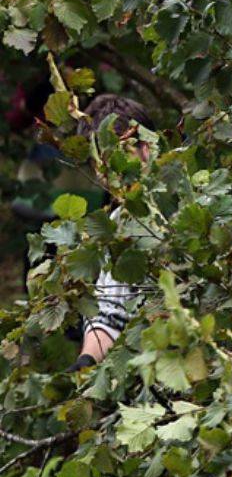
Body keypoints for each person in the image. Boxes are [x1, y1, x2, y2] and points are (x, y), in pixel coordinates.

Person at [67, 94, 157, 372]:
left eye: (118, 155)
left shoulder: (195, 197)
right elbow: (108, 314)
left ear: (146, 146)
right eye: (99, 163)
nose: (107, 173)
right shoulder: (116, 224)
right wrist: (85, 364)